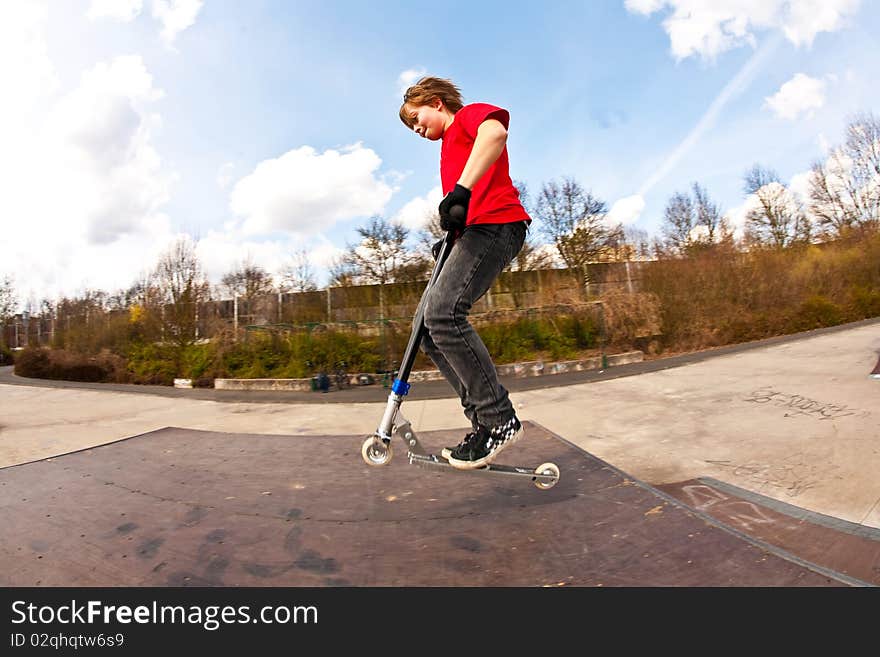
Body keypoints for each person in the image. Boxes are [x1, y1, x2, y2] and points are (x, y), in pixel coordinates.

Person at [399, 76, 530, 470]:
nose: (418, 130)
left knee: (443, 312)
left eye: (417, 119)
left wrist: (461, 192)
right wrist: (453, 237)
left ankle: (499, 418)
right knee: (427, 329)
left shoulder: (468, 118)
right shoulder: (447, 151)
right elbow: (465, 203)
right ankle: (484, 425)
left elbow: (496, 134)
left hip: (498, 225)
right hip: (474, 232)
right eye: (412, 128)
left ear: (436, 103)